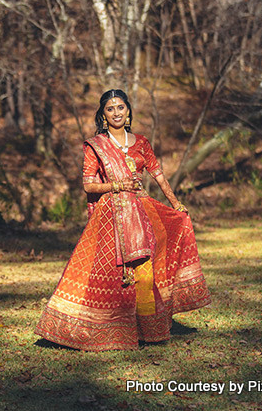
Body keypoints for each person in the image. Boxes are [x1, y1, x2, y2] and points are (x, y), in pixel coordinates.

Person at [34, 89, 211, 350]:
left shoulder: (141, 142)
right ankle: (101, 329)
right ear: (103, 114)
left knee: (145, 271)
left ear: (128, 111)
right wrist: (116, 185)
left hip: (142, 210)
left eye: (121, 107)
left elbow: (158, 175)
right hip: (111, 215)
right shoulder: (97, 145)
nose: (116, 112)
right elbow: (88, 185)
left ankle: (148, 331)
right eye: (110, 108)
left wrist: (176, 204)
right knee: (112, 275)